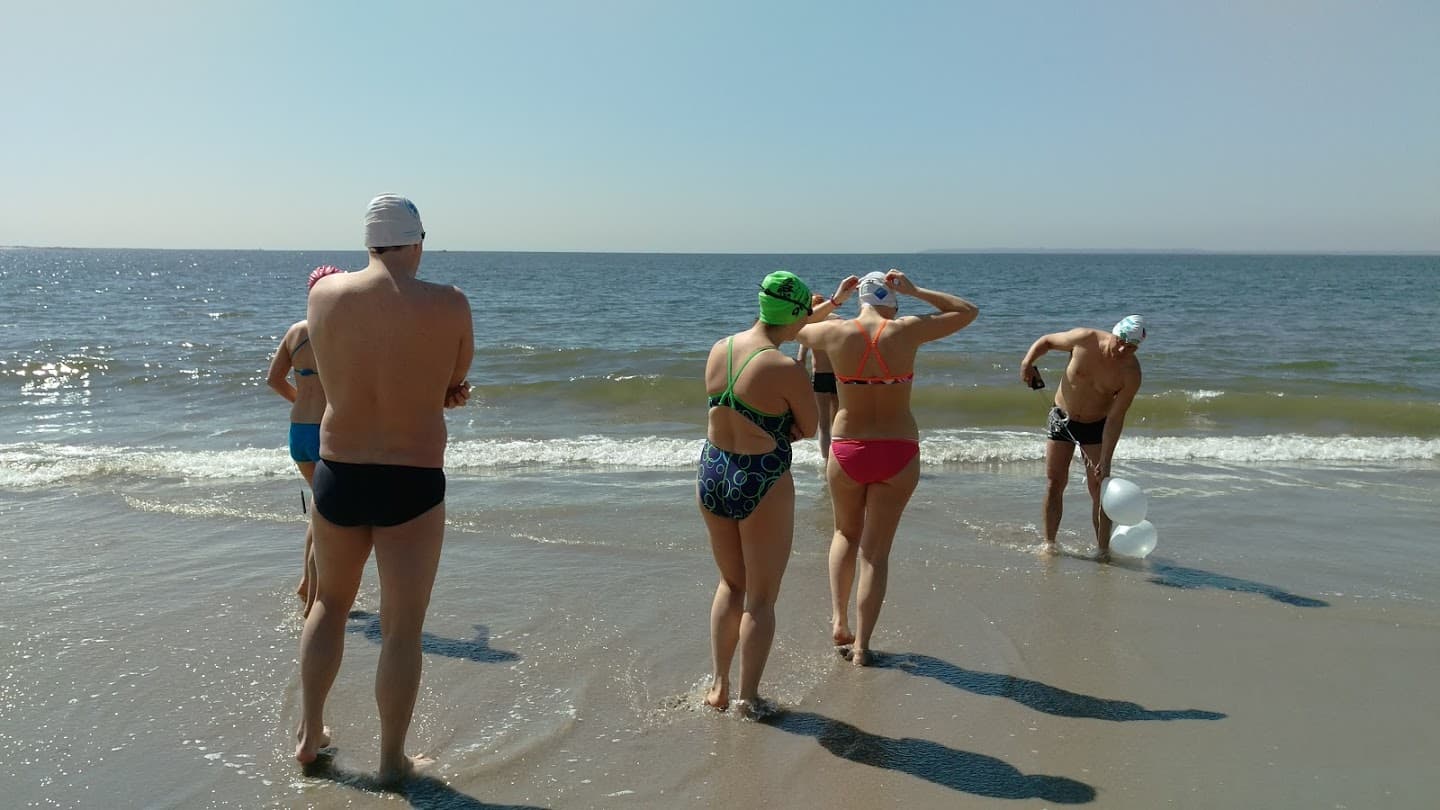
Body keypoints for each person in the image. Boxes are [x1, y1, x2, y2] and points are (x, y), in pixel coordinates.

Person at [293, 195, 474, 785]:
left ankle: (309, 733)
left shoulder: (324, 295)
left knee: (329, 605)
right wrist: (441, 391)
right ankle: (392, 760)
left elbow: (335, 363)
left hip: (340, 470)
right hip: (412, 477)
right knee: (401, 626)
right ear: (416, 241)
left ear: (369, 243)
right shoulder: (449, 304)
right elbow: (454, 379)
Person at [797, 269, 978, 666]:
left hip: (847, 449)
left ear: (860, 299)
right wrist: (916, 289)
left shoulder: (834, 332)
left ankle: (839, 621)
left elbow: (793, 327)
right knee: (875, 556)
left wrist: (836, 300)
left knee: (844, 532)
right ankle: (862, 647)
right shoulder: (907, 330)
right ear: (892, 303)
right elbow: (967, 311)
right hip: (898, 450)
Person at [698, 270, 855, 717]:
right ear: (797, 316)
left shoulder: (720, 348)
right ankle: (748, 700)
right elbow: (808, 427)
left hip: (712, 469)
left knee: (730, 584)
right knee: (761, 599)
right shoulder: (784, 367)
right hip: (761, 475)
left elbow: (789, 329)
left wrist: (834, 302)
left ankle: (719, 687)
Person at [1019, 315, 1145, 560]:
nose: (1122, 349)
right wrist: (1027, 363)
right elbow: (1046, 341)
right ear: (1114, 332)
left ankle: (1102, 550)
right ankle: (1049, 544)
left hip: (1096, 426)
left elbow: (1115, 418)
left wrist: (1106, 460)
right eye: (1120, 341)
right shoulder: (1085, 339)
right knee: (1055, 482)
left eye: (1130, 347)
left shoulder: (1131, 373)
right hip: (1062, 419)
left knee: (1099, 489)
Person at [267, 265, 345, 617]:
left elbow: (274, 379)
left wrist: (301, 398)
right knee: (324, 515)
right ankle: (313, 596)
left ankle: (306, 584)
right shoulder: (340, 333)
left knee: (318, 509)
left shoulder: (295, 332)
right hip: (326, 432)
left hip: (298, 430)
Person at [795, 324, 840, 461]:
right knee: (837, 421)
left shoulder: (812, 331)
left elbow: (801, 359)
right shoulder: (836, 327)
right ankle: (837, 457)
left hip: (820, 376)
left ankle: (827, 460)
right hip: (838, 376)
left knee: (823, 425)